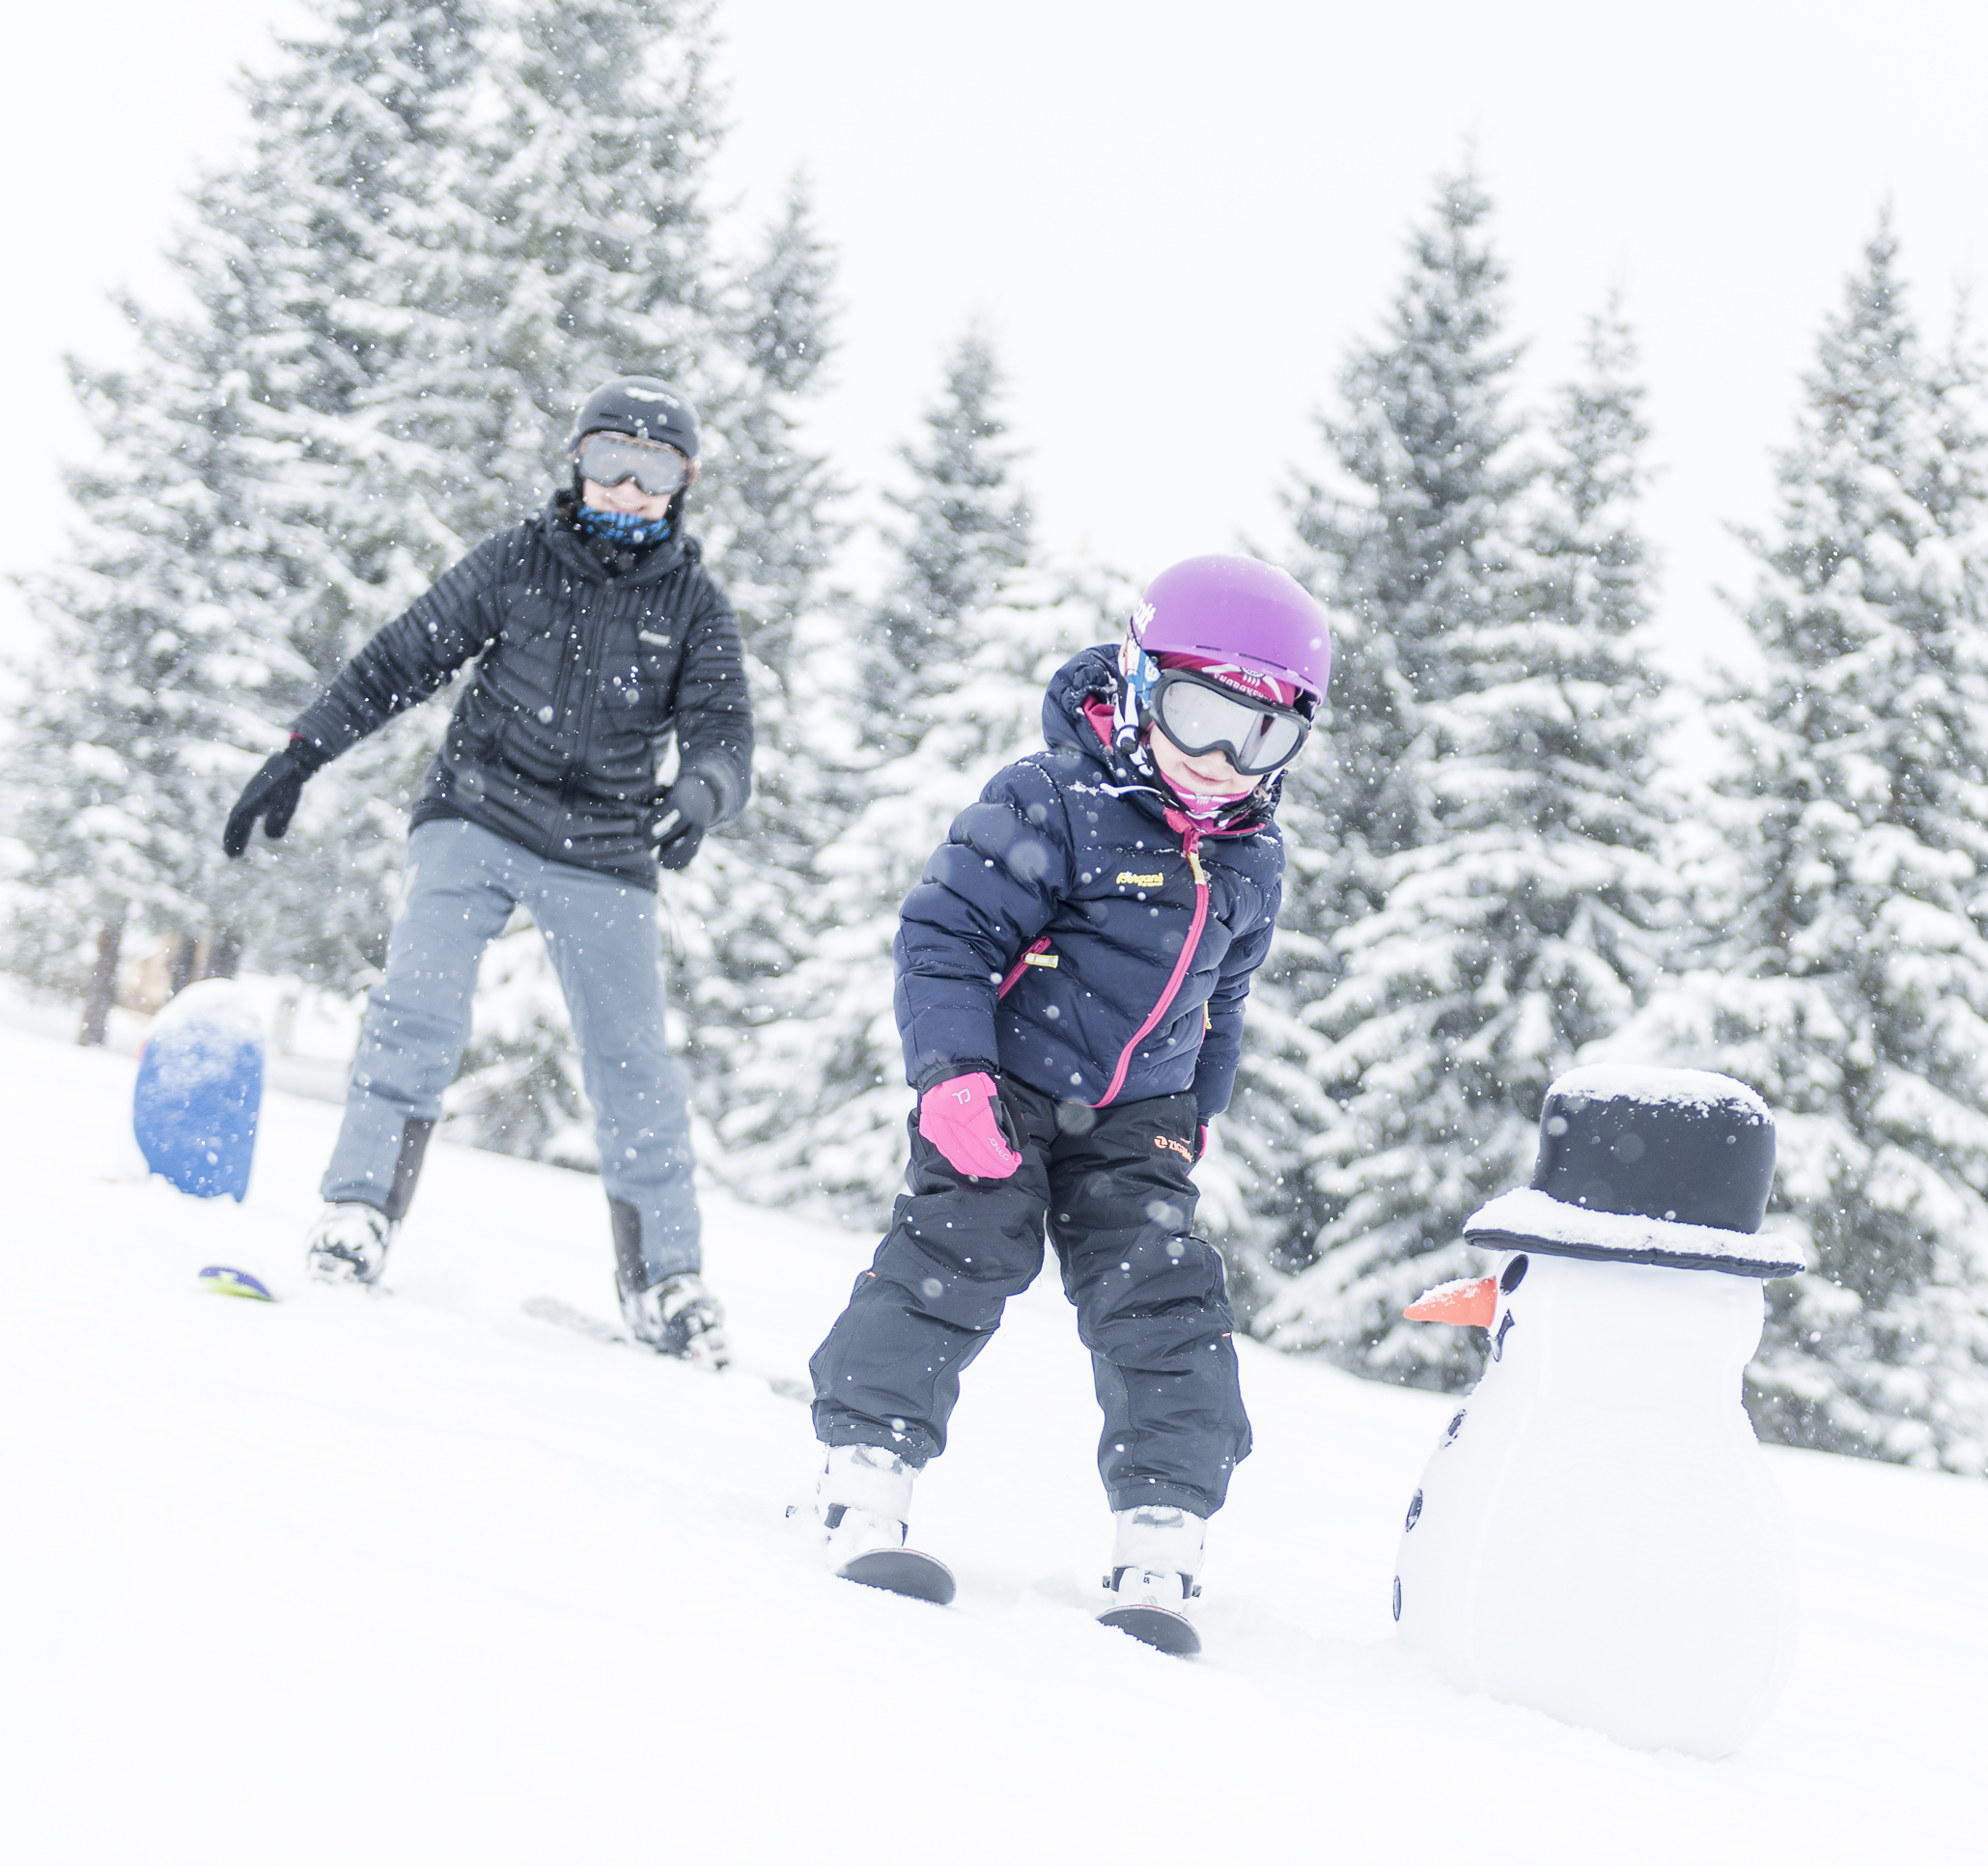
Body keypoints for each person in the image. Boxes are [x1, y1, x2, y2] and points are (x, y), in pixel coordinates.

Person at [804, 553, 1333, 1647]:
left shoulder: (1252, 857)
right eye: (1198, 715)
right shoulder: (1051, 799)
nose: (1221, 760)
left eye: (1262, 736)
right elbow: (944, 936)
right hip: (1004, 1088)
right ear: (1139, 685)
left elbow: (1225, 994)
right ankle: (862, 1475)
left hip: (1138, 1119)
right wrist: (951, 1074)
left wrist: (1197, 1106)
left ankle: (1162, 1535)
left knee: (1166, 1299)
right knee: (959, 1252)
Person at [222, 376, 753, 1366]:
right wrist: (304, 749)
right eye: (611, 460)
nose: (629, 489)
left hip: (606, 847)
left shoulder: (692, 605)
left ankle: (664, 1281)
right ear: (578, 462)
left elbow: (725, 732)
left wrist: (703, 792)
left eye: (654, 472)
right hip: (479, 809)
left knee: (634, 1062)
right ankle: (357, 1213)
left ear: (682, 486)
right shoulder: (519, 560)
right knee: (414, 1010)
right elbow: (401, 656)